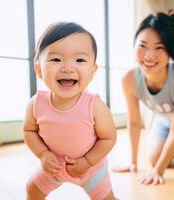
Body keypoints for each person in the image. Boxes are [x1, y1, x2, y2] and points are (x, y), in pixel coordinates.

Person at [113, 11, 174, 185]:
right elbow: (135, 122)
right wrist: (133, 163)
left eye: (159, 48)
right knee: (154, 158)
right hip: (164, 122)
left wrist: (158, 171)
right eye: (142, 45)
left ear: (171, 51)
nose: (149, 56)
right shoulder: (129, 79)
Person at [23, 22, 117, 200]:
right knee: (32, 190)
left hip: (90, 169)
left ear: (92, 71)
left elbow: (109, 138)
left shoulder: (94, 105)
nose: (67, 67)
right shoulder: (36, 103)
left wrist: (88, 161)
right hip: (54, 167)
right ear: (39, 70)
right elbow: (29, 131)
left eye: (80, 60)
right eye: (56, 59)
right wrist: (42, 154)